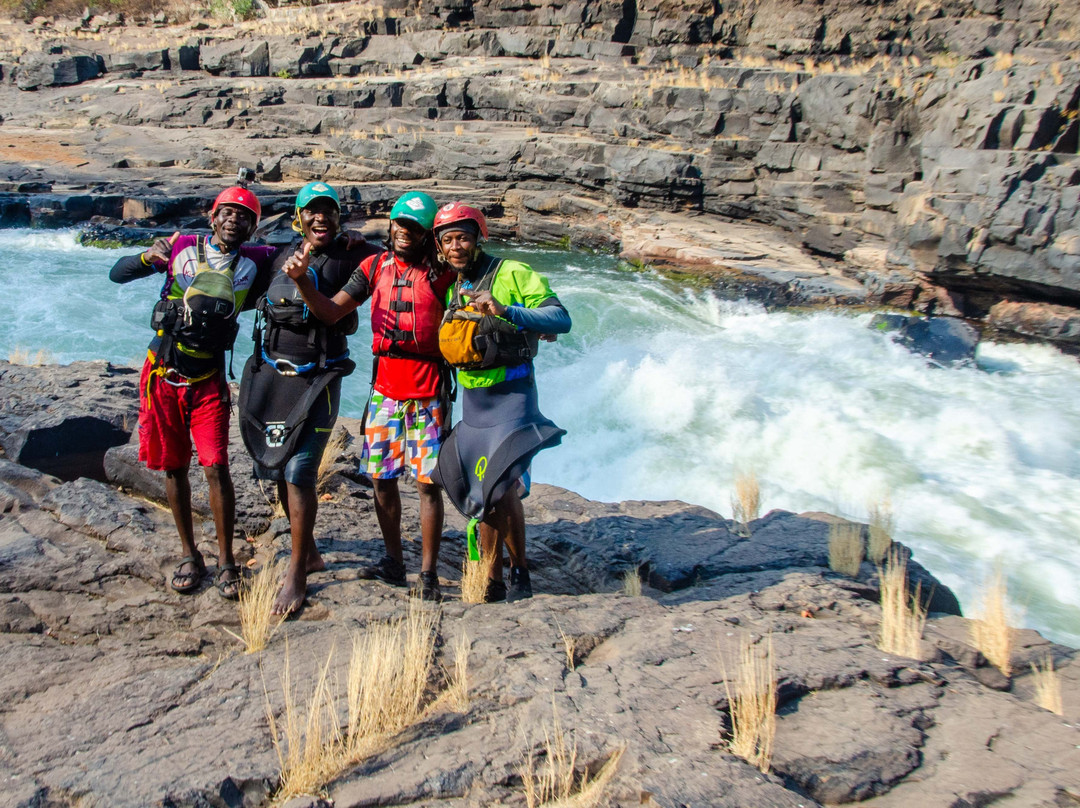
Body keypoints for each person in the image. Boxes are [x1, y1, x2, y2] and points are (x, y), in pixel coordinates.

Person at [280, 191, 454, 601]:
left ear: (428, 233)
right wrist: (303, 280)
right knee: (381, 479)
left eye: (415, 228)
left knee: (428, 485)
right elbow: (330, 312)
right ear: (391, 224)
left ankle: (427, 575)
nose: (405, 233)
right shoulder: (373, 266)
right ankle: (394, 563)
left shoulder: (442, 272)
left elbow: (472, 274)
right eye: (400, 225)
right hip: (385, 391)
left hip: (428, 392)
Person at [109, 186, 276, 599]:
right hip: (163, 374)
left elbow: (310, 252)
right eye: (227, 212)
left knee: (216, 465)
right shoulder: (180, 246)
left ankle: (226, 562)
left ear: (254, 227)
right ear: (211, 217)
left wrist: (349, 240)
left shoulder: (259, 260)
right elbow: (118, 273)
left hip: (208, 382)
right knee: (174, 467)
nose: (234, 220)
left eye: (244, 216)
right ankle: (189, 554)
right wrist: (148, 256)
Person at [238, 181, 380, 615]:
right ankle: (312, 551)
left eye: (329, 211)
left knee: (300, 469)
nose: (321, 218)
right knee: (277, 465)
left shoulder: (356, 254)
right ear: (298, 217)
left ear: (341, 217)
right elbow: (234, 275)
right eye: (312, 211)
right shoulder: (277, 254)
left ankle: (297, 571)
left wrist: (362, 239)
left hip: (319, 377)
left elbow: (399, 255)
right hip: (273, 374)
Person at [429, 202, 571, 602]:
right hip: (474, 403)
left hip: (512, 397)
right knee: (483, 490)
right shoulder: (453, 286)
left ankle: (519, 572)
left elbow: (560, 319)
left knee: (499, 483)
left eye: (463, 237)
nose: (456, 246)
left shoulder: (512, 273)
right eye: (448, 239)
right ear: (440, 247)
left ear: (479, 238)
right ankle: (490, 581)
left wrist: (508, 311)